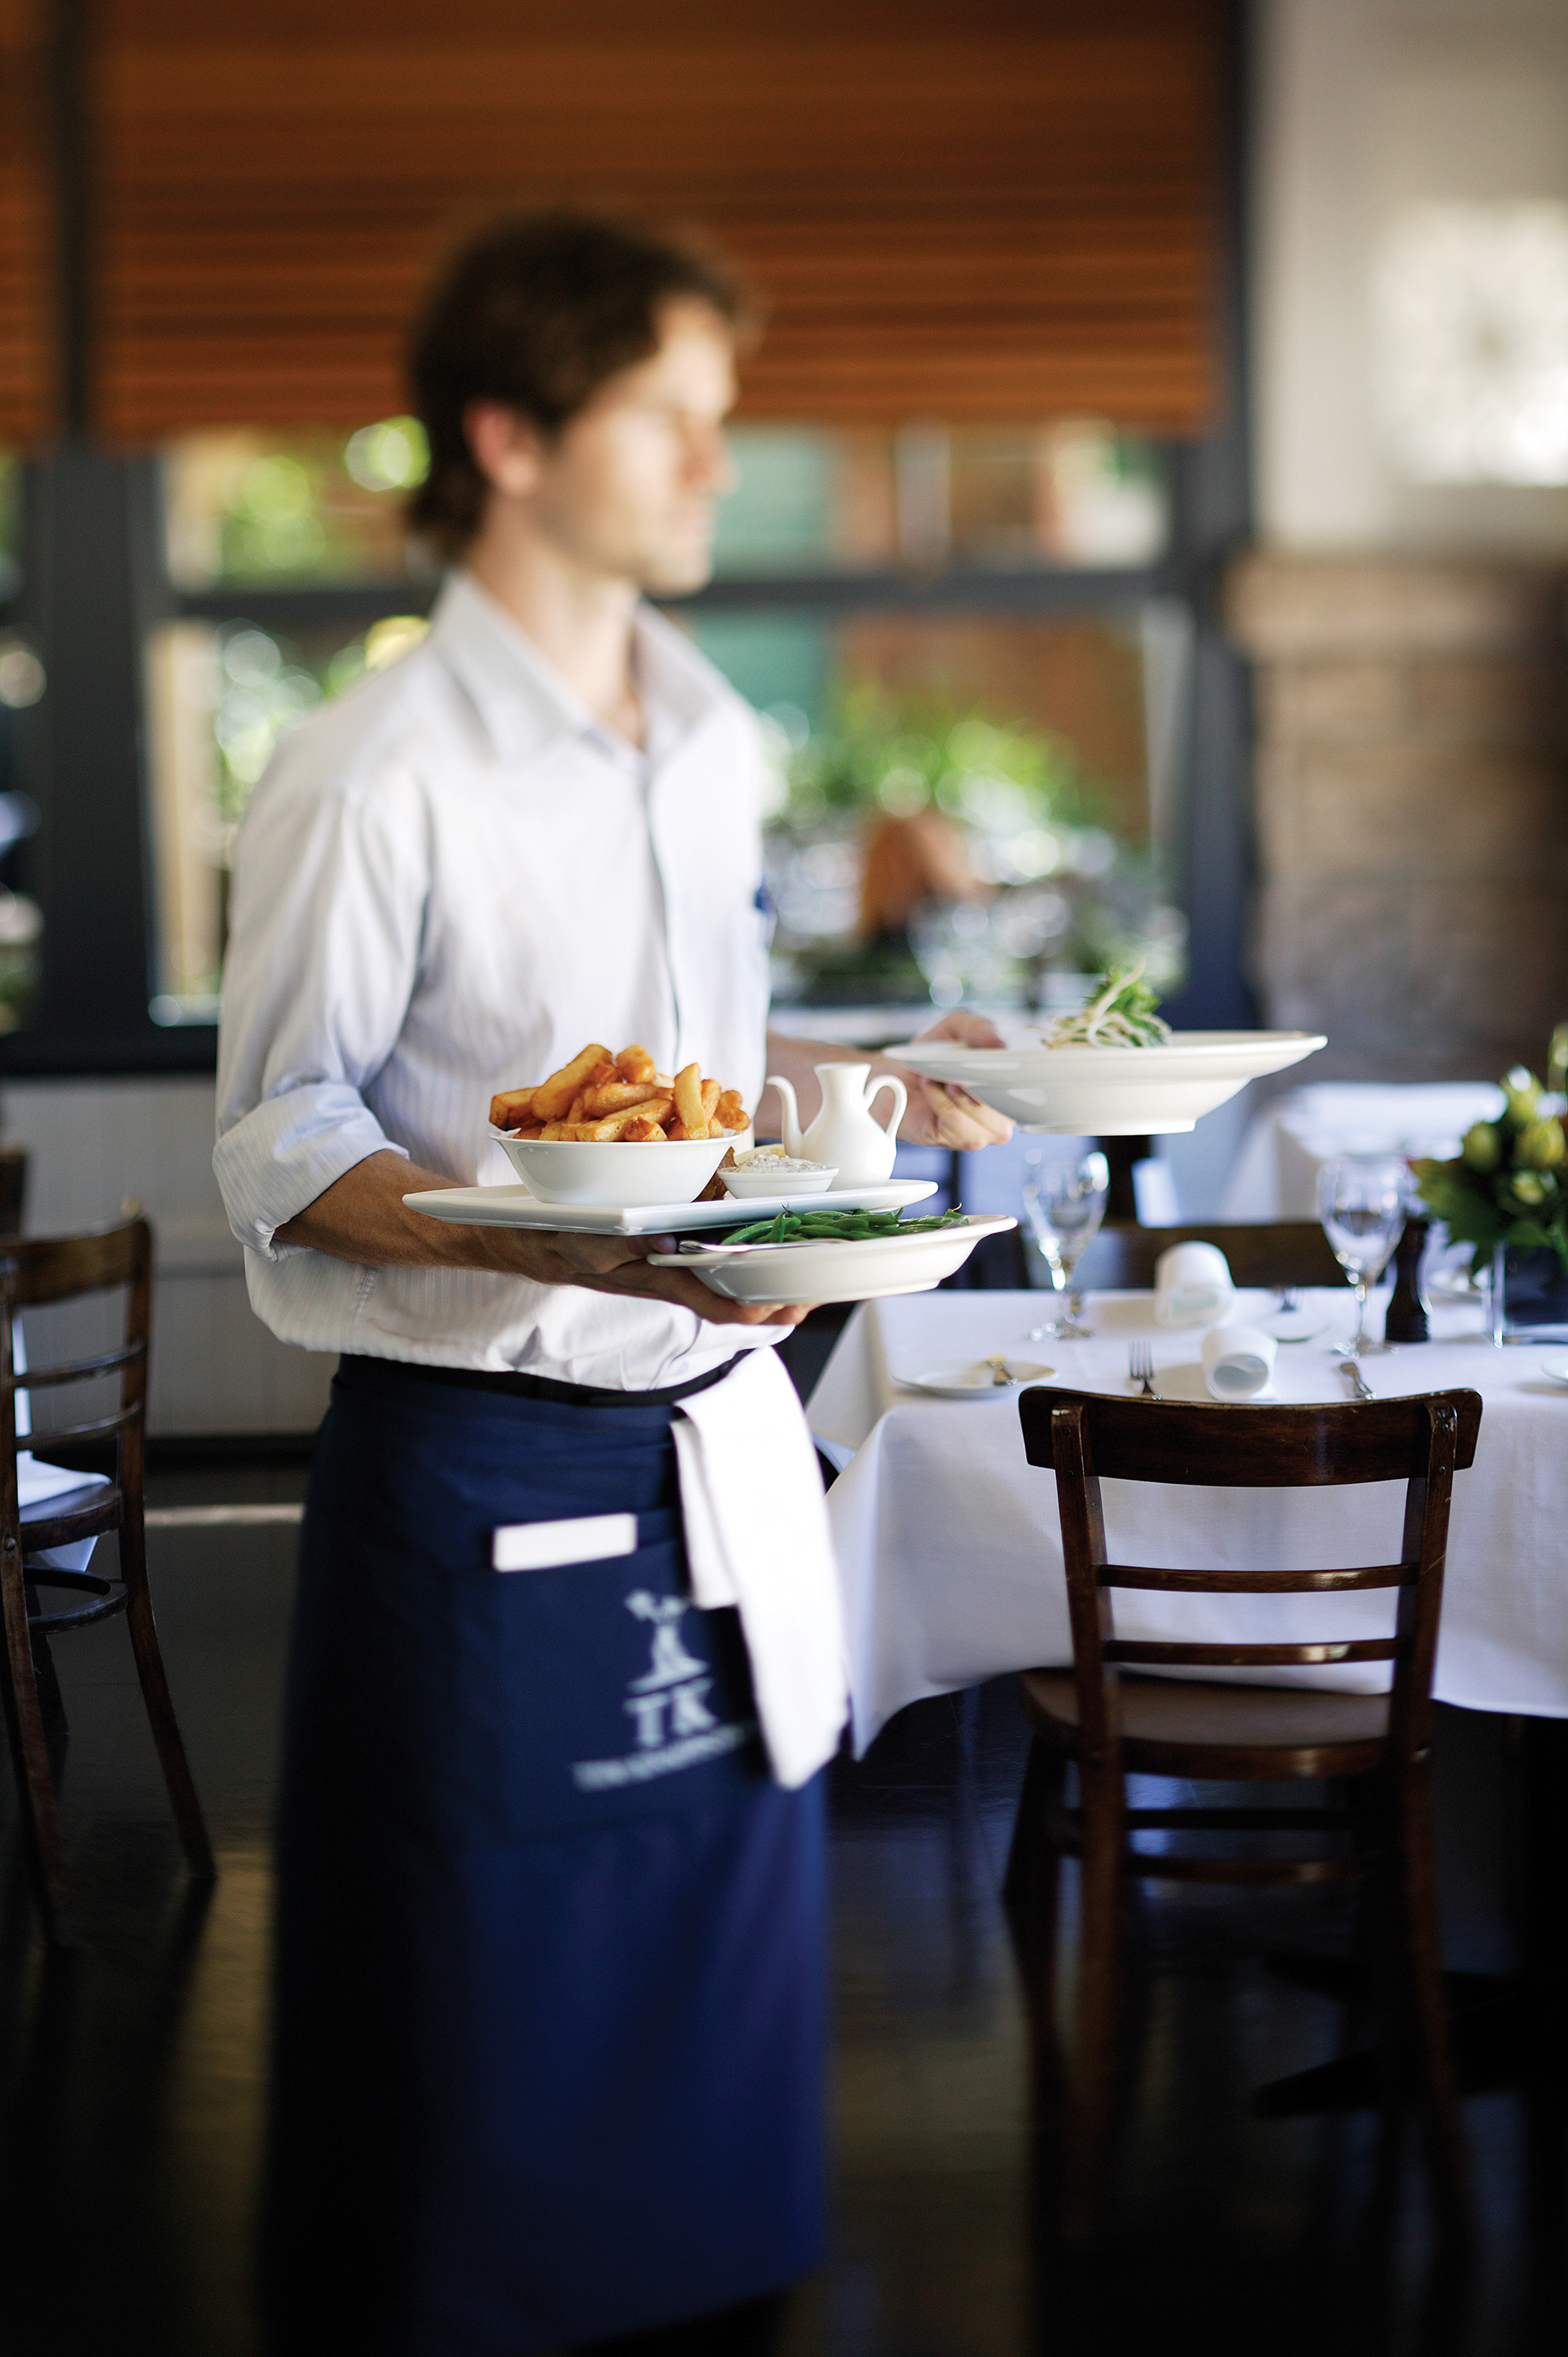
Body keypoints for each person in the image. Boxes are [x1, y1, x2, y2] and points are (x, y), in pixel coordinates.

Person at [213, 211, 1010, 2357]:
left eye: (714, 420)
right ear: (509, 435)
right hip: (479, 1477)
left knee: (713, 1997)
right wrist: (514, 1227)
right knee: (483, 2029)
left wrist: (874, 1086)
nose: (707, 465)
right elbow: (282, 1131)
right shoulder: (369, 770)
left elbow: (685, 1071)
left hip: (714, 1447)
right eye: (666, 417)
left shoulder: (712, 740)